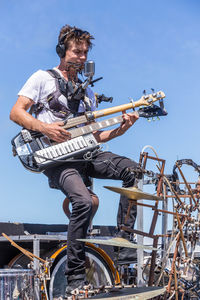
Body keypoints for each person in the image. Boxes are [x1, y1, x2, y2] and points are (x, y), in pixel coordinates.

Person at [10, 25, 139, 297]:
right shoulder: (42, 78)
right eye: (76, 52)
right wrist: (45, 128)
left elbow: (96, 136)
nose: (81, 57)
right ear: (62, 51)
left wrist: (121, 130)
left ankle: (125, 246)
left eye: (85, 53)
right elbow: (16, 112)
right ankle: (75, 278)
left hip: (86, 154)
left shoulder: (89, 94)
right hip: (56, 160)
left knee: (133, 171)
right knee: (83, 201)